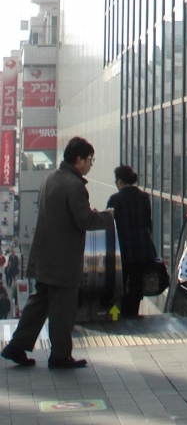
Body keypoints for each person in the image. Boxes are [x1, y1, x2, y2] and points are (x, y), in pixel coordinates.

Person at [1, 137, 114, 369]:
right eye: (90, 159)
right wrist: (107, 216)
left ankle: (17, 345)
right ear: (79, 159)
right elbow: (83, 220)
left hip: (44, 254)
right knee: (63, 308)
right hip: (63, 259)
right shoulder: (75, 186)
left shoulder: (51, 178)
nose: (91, 164)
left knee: (39, 303)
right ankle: (60, 356)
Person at [107, 165, 156, 318]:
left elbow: (109, 226)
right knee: (137, 282)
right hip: (142, 248)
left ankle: (122, 313)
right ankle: (133, 313)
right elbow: (148, 223)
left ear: (120, 181)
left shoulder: (115, 200)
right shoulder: (144, 197)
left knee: (120, 282)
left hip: (122, 249)